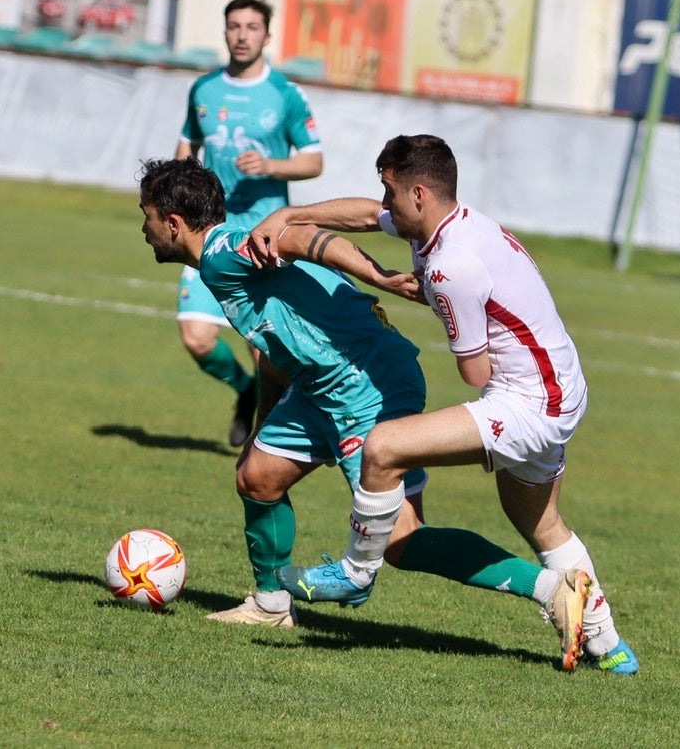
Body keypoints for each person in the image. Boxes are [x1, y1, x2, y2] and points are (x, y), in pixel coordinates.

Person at [138, 156, 600, 671]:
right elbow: (274, 343)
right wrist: (264, 419)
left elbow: (301, 236)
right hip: (320, 385)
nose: (145, 230)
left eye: (147, 218)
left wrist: (378, 277)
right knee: (258, 476)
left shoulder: (225, 253)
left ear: (173, 223)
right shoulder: (224, 262)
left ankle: (553, 589)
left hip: (368, 386)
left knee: (403, 541)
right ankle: (271, 607)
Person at [247, 134, 639, 675]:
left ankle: (357, 574)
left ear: (419, 193)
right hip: (561, 386)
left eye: (388, 192)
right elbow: (363, 218)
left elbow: (475, 371)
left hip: (530, 402)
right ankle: (608, 646)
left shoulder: (449, 266)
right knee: (543, 525)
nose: (382, 204)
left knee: (383, 448)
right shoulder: (454, 223)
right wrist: (292, 212)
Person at [174, 0, 324, 446]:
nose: (242, 35)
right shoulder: (203, 90)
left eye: (252, 27)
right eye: (234, 26)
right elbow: (187, 147)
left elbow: (314, 161)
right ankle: (245, 392)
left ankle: (266, 449)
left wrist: (272, 166)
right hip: (207, 231)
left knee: (263, 351)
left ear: (266, 35)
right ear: (224, 32)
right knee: (197, 338)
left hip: (263, 236)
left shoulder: (285, 94)